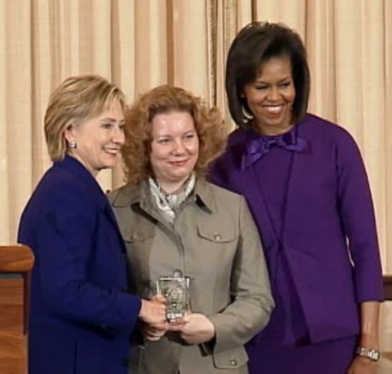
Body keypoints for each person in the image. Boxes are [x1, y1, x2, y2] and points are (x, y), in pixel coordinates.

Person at [210, 22, 384, 374]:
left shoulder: (336, 144)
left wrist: (369, 350)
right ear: (241, 90)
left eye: (284, 84)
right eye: (262, 87)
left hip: (333, 336)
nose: (275, 98)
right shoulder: (223, 159)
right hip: (256, 340)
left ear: (298, 83)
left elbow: (365, 248)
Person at [108, 85, 274, 374]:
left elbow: (258, 300)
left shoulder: (232, 208)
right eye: (165, 140)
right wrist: (139, 321)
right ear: (143, 146)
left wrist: (213, 327)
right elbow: (101, 297)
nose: (180, 150)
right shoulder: (114, 208)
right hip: (145, 366)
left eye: (188, 137)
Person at [17, 75, 166, 374]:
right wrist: (139, 308)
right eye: (107, 125)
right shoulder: (66, 193)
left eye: (120, 127)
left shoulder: (76, 187)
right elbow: (65, 292)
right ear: (70, 130)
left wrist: (136, 320)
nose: (120, 138)